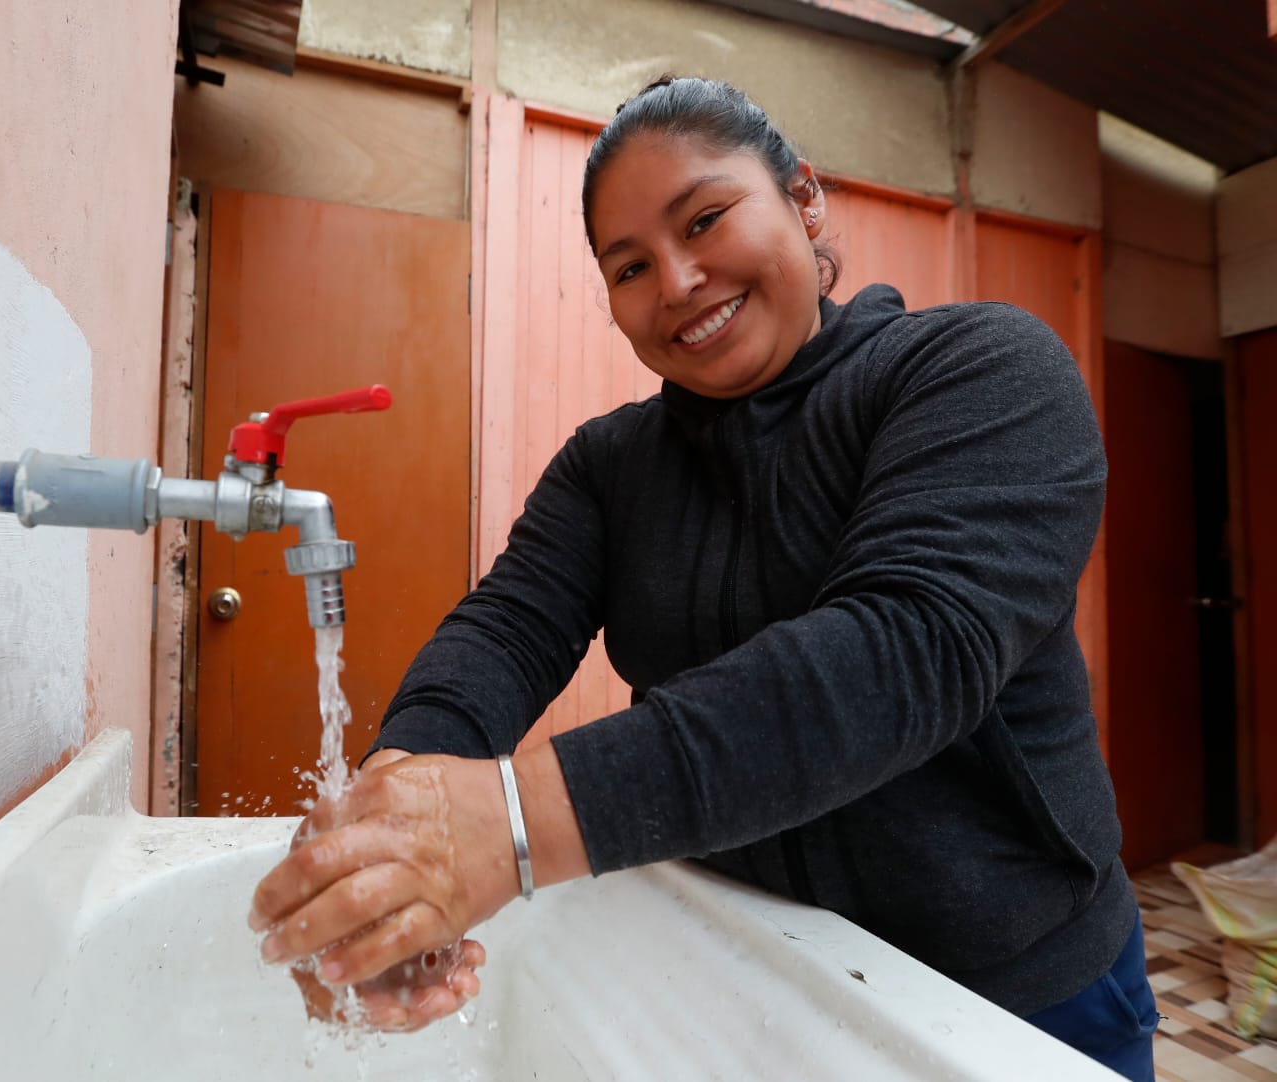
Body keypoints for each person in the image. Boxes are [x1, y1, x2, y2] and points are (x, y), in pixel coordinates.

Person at [249, 76, 1157, 1080]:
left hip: (1014, 994)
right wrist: (390, 837)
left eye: (706, 219)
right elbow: (503, 633)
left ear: (803, 200)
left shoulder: (980, 373)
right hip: (744, 966)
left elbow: (901, 650)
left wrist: (505, 826)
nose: (676, 281)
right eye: (630, 264)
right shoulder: (607, 466)